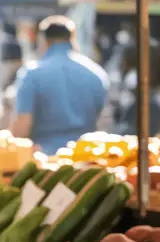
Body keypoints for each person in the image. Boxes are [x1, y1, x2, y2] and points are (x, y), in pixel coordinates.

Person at [12, 15, 107, 153]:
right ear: (72, 38)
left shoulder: (32, 73)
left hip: (43, 159)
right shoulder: (96, 73)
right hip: (84, 157)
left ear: (43, 40)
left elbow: (22, 125)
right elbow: (104, 122)